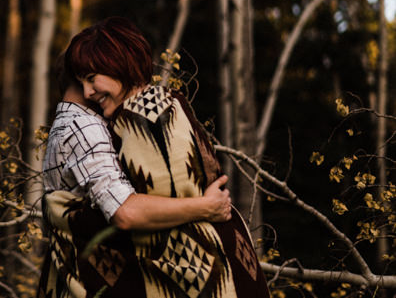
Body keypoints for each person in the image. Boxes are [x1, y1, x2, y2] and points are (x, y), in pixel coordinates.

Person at [38, 17, 270, 298]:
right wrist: (206, 206)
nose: (88, 92)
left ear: (115, 65)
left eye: (91, 78)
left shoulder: (142, 116)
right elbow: (127, 212)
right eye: (82, 81)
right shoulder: (108, 123)